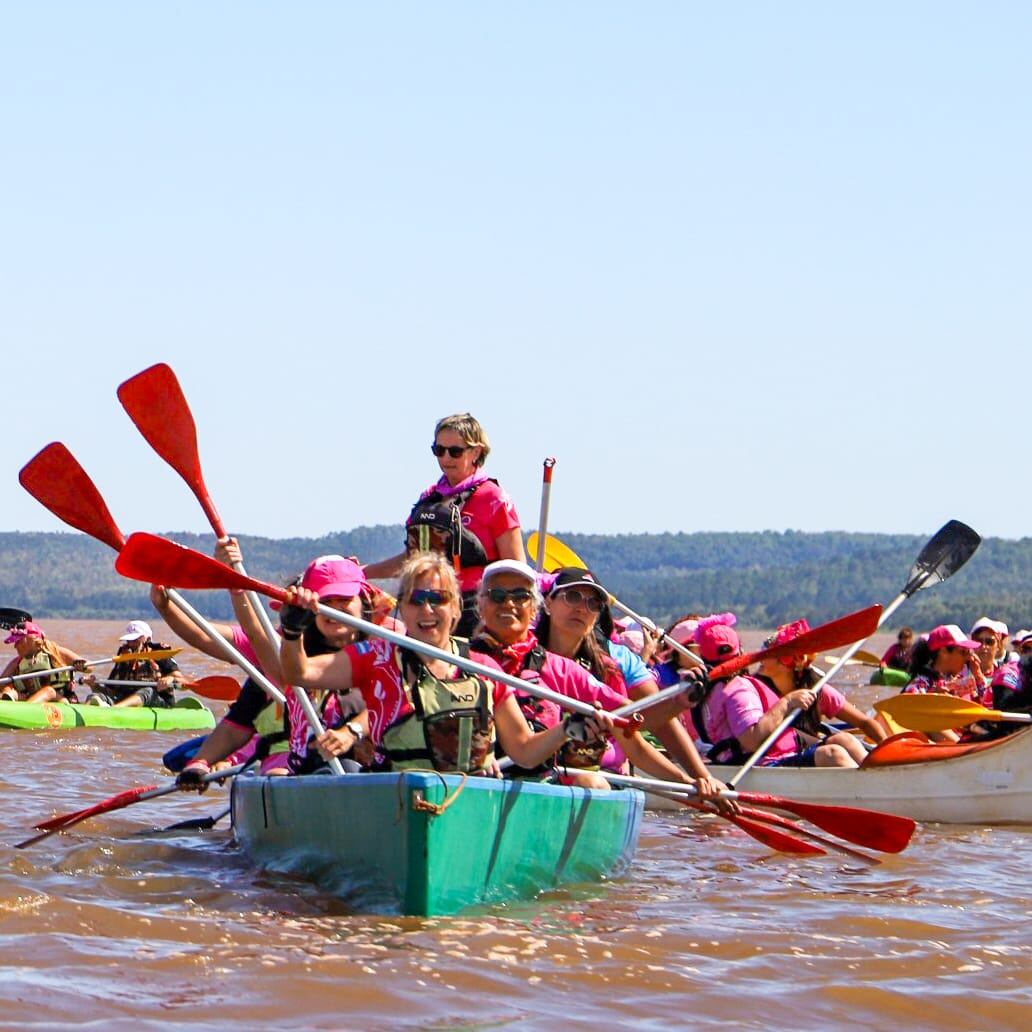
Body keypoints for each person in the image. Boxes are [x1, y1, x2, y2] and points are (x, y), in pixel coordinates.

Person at [279, 552, 611, 777]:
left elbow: (524, 751)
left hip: (463, 803)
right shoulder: (375, 657)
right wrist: (293, 631)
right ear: (403, 610)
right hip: (392, 798)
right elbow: (300, 673)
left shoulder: (484, 669)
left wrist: (566, 731)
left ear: (455, 610)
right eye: (417, 600)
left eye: (438, 599)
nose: (427, 610)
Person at [466, 559, 724, 801]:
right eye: (498, 596)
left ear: (533, 607)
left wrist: (692, 781)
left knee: (592, 782)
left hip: (544, 786)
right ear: (480, 605)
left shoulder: (563, 669)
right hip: (472, 784)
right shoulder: (460, 659)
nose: (509, 604)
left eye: (520, 597)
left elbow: (631, 721)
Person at [172, 543, 373, 785]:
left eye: (344, 599)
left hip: (364, 773)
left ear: (364, 601)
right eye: (325, 602)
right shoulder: (291, 663)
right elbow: (254, 633)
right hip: (298, 774)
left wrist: (352, 731)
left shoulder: (386, 652)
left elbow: (403, 701)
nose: (334, 609)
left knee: (351, 768)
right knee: (284, 774)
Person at [536, 568, 726, 797]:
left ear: (597, 615)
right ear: (548, 603)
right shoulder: (524, 659)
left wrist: (696, 780)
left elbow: (641, 729)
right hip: (537, 772)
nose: (581, 608)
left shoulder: (612, 667)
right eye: (572, 597)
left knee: (591, 782)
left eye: (593, 603)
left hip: (601, 777)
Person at [362, 413, 525, 636]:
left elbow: (516, 566)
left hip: (475, 610)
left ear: (476, 452)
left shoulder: (495, 499)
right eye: (439, 450)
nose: (446, 458)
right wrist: (361, 572)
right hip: (427, 606)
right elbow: (411, 558)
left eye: (455, 451)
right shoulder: (429, 498)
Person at [693, 617, 886, 768]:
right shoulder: (745, 687)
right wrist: (788, 702)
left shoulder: (817, 689)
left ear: (786, 663)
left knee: (844, 739)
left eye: (769, 652)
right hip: (758, 760)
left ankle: (882, 778)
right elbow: (752, 740)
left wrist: (888, 748)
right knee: (833, 753)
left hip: (787, 750)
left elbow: (864, 722)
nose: (761, 655)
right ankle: (869, 792)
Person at [81, 620, 180, 707]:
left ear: (147, 639)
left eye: (135, 640)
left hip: (158, 701)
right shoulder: (124, 656)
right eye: (129, 640)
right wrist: (93, 685)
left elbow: (179, 678)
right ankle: (85, 711)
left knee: (148, 691)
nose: (131, 644)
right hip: (124, 700)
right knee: (95, 696)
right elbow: (111, 691)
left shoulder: (159, 654)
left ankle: (115, 710)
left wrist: (169, 678)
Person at [1, 622, 85, 703]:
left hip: (60, 699)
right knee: (7, 689)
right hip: (30, 698)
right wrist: (9, 689)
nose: (15, 646)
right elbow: (1, 682)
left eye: (19, 641)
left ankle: (26, 709)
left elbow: (89, 667)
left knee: (49, 691)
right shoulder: (16, 662)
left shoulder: (55, 652)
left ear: (32, 640)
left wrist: (81, 666)